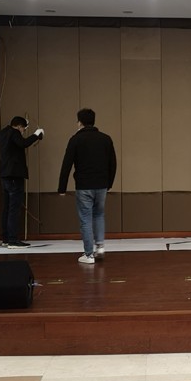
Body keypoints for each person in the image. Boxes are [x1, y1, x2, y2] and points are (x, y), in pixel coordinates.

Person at [58, 108, 117, 264]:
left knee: (85, 218)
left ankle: (89, 254)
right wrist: (109, 183)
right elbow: (113, 163)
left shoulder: (75, 139)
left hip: (84, 185)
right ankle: (100, 246)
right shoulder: (105, 139)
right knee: (99, 215)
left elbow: (66, 164)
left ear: (80, 122)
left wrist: (62, 188)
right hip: (102, 185)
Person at [0, 116, 44, 249]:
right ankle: (13, 240)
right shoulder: (14, 133)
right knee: (14, 208)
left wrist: (26, 126)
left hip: (5, 175)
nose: (23, 131)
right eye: (23, 129)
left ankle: (6, 238)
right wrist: (36, 135)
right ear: (18, 126)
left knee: (7, 208)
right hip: (14, 175)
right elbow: (23, 143)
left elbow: (17, 143)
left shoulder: (3, 133)